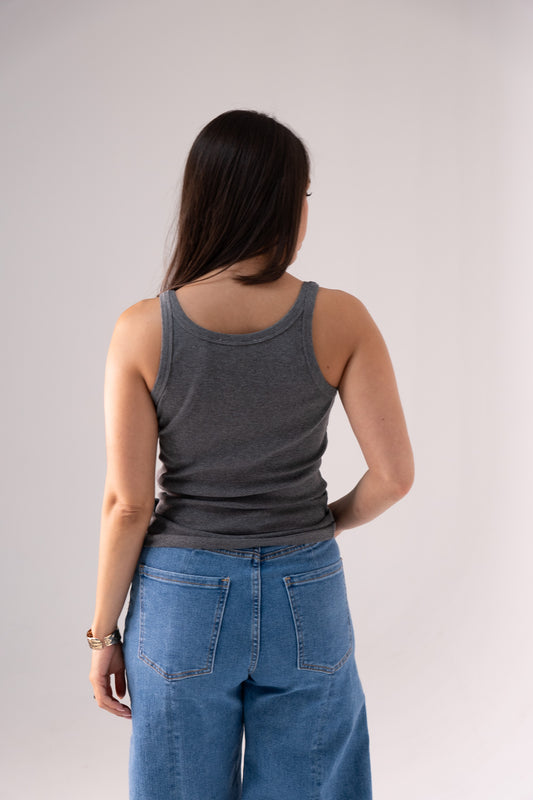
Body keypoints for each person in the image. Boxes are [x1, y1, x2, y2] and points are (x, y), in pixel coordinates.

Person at [88, 109, 414, 800]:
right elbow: (392, 477)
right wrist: (320, 524)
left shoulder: (142, 330)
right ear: (284, 205)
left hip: (180, 596)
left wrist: (101, 636)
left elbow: (128, 506)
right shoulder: (341, 318)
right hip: (307, 588)